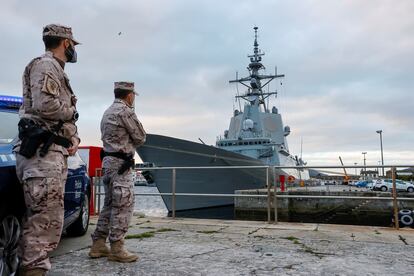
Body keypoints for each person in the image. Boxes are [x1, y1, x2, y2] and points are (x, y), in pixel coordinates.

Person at [14, 24, 81, 276]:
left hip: (50, 153)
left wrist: (71, 138)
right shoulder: (46, 65)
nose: (74, 50)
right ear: (66, 43)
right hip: (43, 156)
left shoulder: (55, 69)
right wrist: (73, 112)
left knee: (46, 221)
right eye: (73, 45)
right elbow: (46, 105)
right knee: (43, 224)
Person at [89, 81, 146, 262]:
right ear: (129, 95)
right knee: (123, 205)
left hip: (108, 163)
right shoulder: (126, 111)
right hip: (122, 165)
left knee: (109, 205)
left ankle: (98, 244)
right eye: (133, 96)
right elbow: (140, 137)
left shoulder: (107, 111)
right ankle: (117, 248)